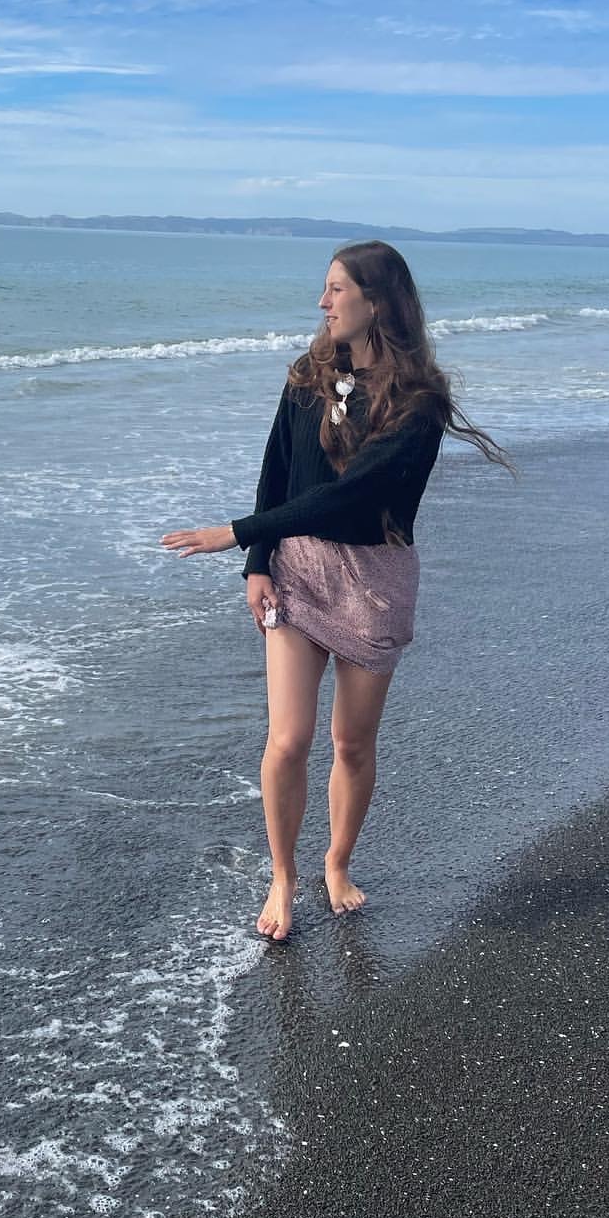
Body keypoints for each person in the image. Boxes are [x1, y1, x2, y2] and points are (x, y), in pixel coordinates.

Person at [160, 240, 513, 942]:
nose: (323, 303)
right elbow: (278, 471)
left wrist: (235, 532)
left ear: (375, 301)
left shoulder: (419, 403)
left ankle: (337, 862)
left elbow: (353, 495)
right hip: (296, 568)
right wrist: (257, 562)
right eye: (324, 289)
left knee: (351, 742)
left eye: (336, 289)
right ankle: (283, 876)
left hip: (374, 580)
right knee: (288, 739)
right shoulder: (307, 376)